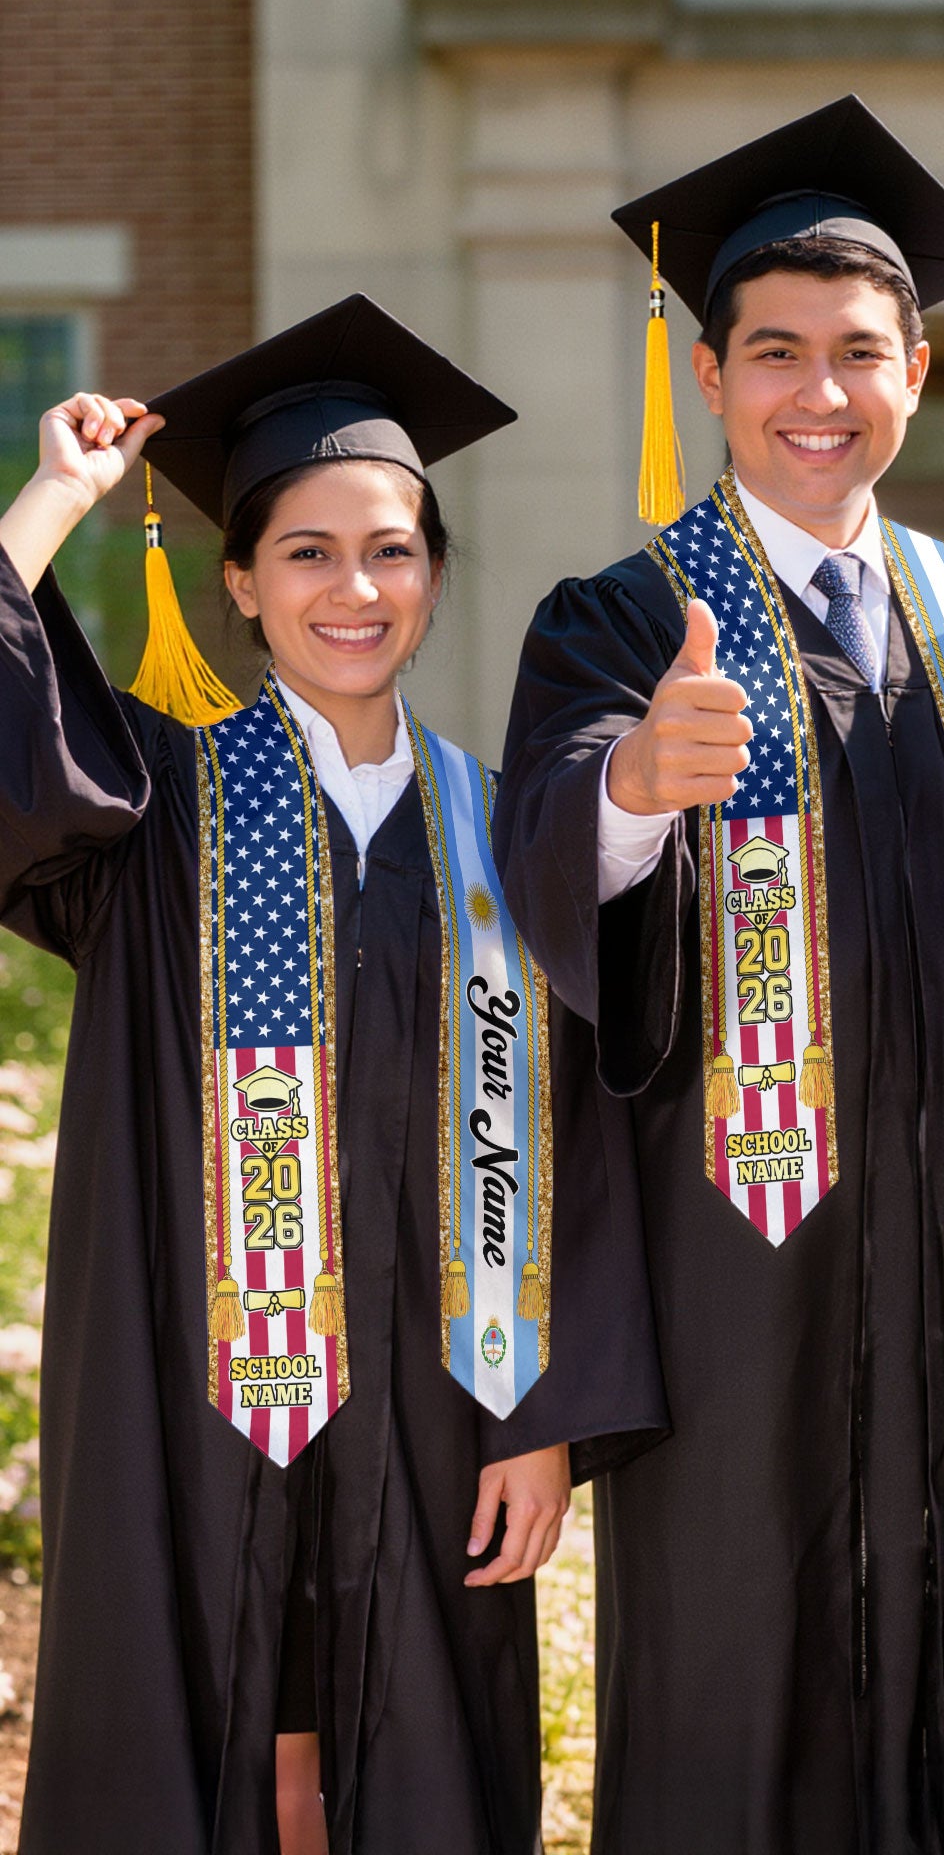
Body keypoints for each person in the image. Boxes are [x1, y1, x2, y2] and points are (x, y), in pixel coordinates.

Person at [495, 96, 944, 1854]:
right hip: (730, 1277)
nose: (818, 393)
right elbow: (543, 857)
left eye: (860, 353)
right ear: (710, 376)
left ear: (917, 370)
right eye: (776, 353)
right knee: (734, 1697)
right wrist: (631, 787)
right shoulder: (619, 620)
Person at [0, 295, 664, 1855]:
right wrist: (53, 501)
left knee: (421, 1752)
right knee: (200, 1723)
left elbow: (585, 1135)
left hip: (443, 1407)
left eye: (391, 549)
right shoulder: (148, 805)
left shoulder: (510, 835)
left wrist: (545, 1417)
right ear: (239, 581)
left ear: (434, 574)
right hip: (190, 1389)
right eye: (305, 551)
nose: (352, 588)